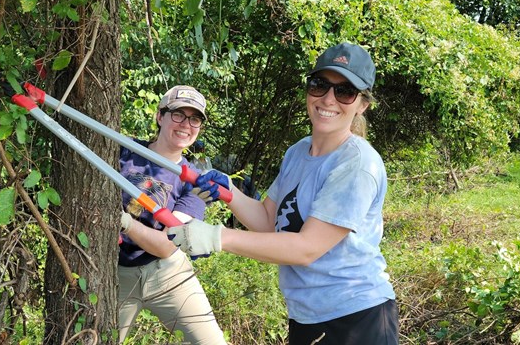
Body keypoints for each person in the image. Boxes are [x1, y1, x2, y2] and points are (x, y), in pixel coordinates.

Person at [169, 43, 399, 345]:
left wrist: (216, 237)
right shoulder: (297, 152)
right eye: (319, 85)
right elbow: (269, 220)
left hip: (356, 318)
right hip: (306, 316)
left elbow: (306, 248)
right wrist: (230, 192)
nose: (328, 99)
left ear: (362, 104)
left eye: (345, 91)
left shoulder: (356, 163)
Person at [117, 85, 226, 344]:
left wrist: (124, 222)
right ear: (160, 116)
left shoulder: (195, 182)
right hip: (117, 273)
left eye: (194, 119)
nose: (186, 125)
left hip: (167, 272)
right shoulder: (124, 150)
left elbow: (168, 246)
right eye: (178, 114)